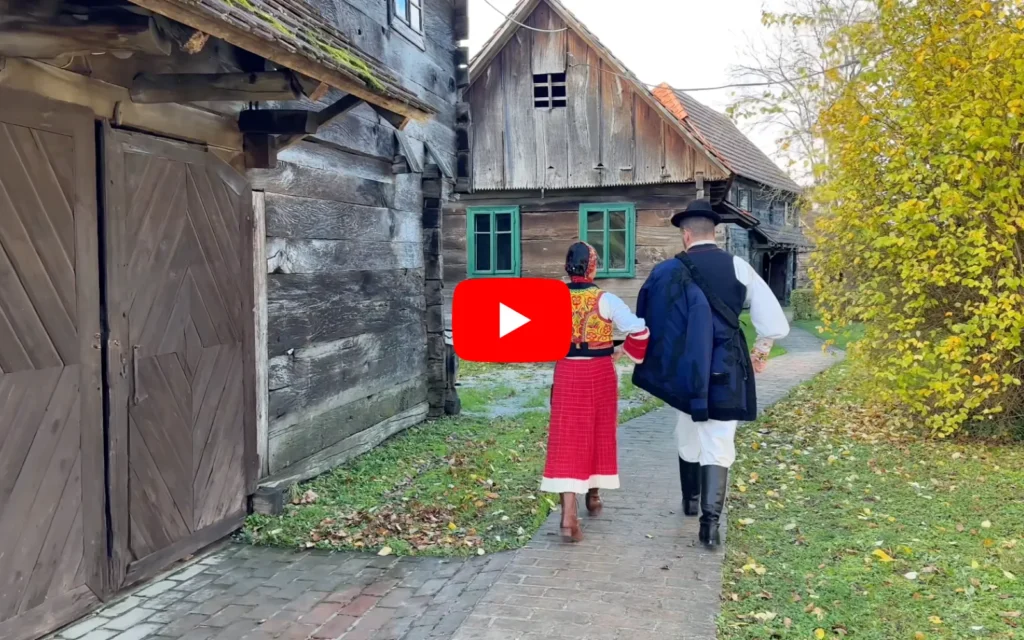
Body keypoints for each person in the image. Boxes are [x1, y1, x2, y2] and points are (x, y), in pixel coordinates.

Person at [633, 199, 789, 548]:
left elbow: (647, 320)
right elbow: (772, 320)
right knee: (718, 440)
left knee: (688, 432)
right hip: (727, 366)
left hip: (686, 369)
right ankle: (710, 527)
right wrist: (761, 351)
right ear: (713, 233)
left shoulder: (665, 271)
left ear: (686, 235)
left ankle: (690, 502)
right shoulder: (738, 266)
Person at [542, 241, 649, 543]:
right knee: (598, 431)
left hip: (566, 370)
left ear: (567, 266)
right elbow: (640, 331)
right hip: (599, 373)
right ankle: (593, 495)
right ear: (593, 267)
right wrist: (623, 350)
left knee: (567, 438)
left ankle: (568, 515)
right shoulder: (607, 300)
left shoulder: (552, 299)